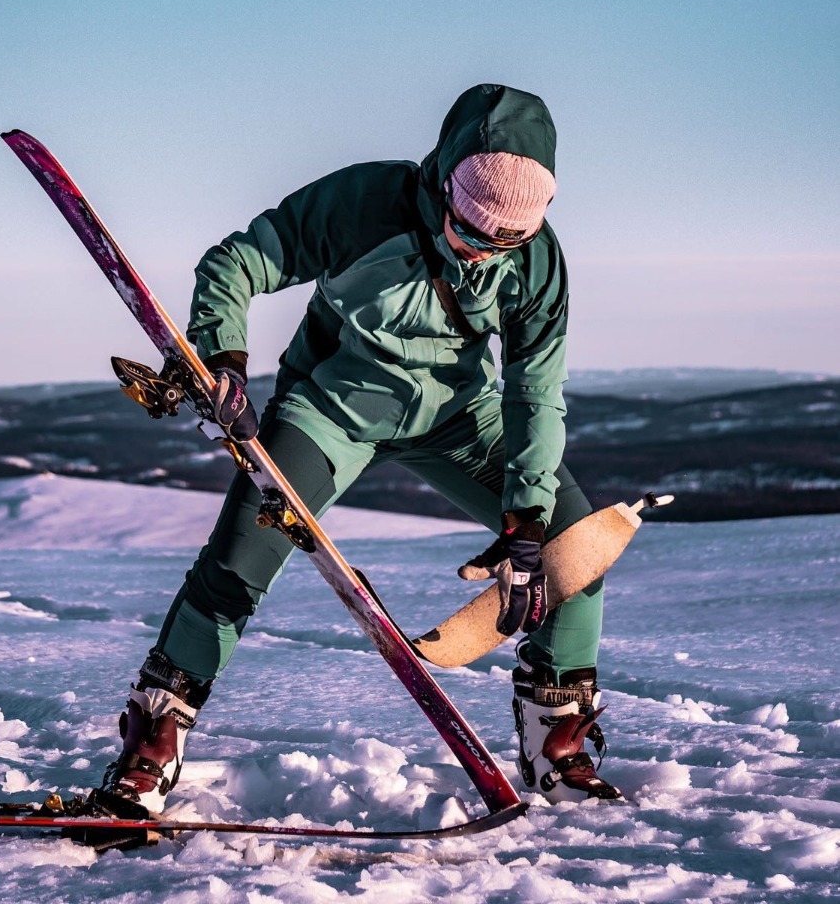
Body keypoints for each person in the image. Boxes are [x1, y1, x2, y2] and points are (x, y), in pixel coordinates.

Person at [99, 84, 622, 816]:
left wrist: (528, 521)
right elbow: (240, 261)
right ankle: (152, 742)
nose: (484, 248)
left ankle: (557, 743)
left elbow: (536, 391)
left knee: (574, 550)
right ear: (443, 181)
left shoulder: (537, 263)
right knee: (235, 565)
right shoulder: (364, 204)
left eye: (507, 240)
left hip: (459, 420)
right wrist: (222, 353)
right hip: (330, 408)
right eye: (469, 227)